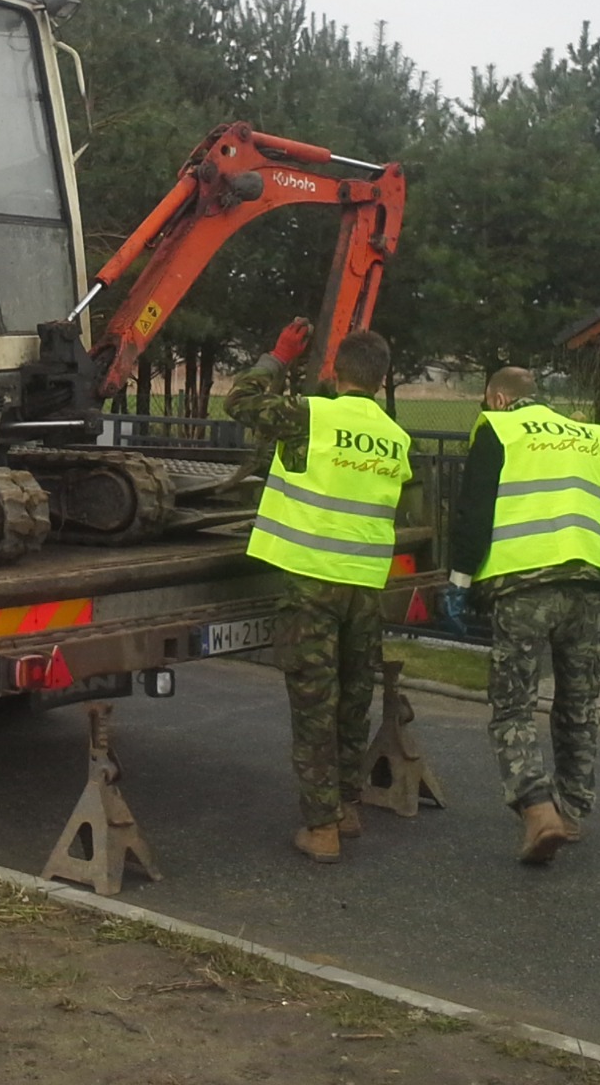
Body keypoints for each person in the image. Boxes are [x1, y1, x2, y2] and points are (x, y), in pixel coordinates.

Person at [227, 319, 414, 864]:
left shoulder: (310, 416)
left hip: (311, 581)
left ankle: (321, 827)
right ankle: (347, 807)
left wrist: (277, 357)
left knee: (314, 703)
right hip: (363, 585)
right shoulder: (396, 438)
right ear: (381, 381)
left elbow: (239, 401)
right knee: (353, 699)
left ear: (334, 372)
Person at [449, 366, 600, 866]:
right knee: (578, 704)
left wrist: (459, 582)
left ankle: (538, 810)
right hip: (589, 590)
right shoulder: (596, 438)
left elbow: (474, 511)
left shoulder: (500, 430)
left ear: (496, 397)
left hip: (524, 589)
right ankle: (573, 811)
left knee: (513, 705)